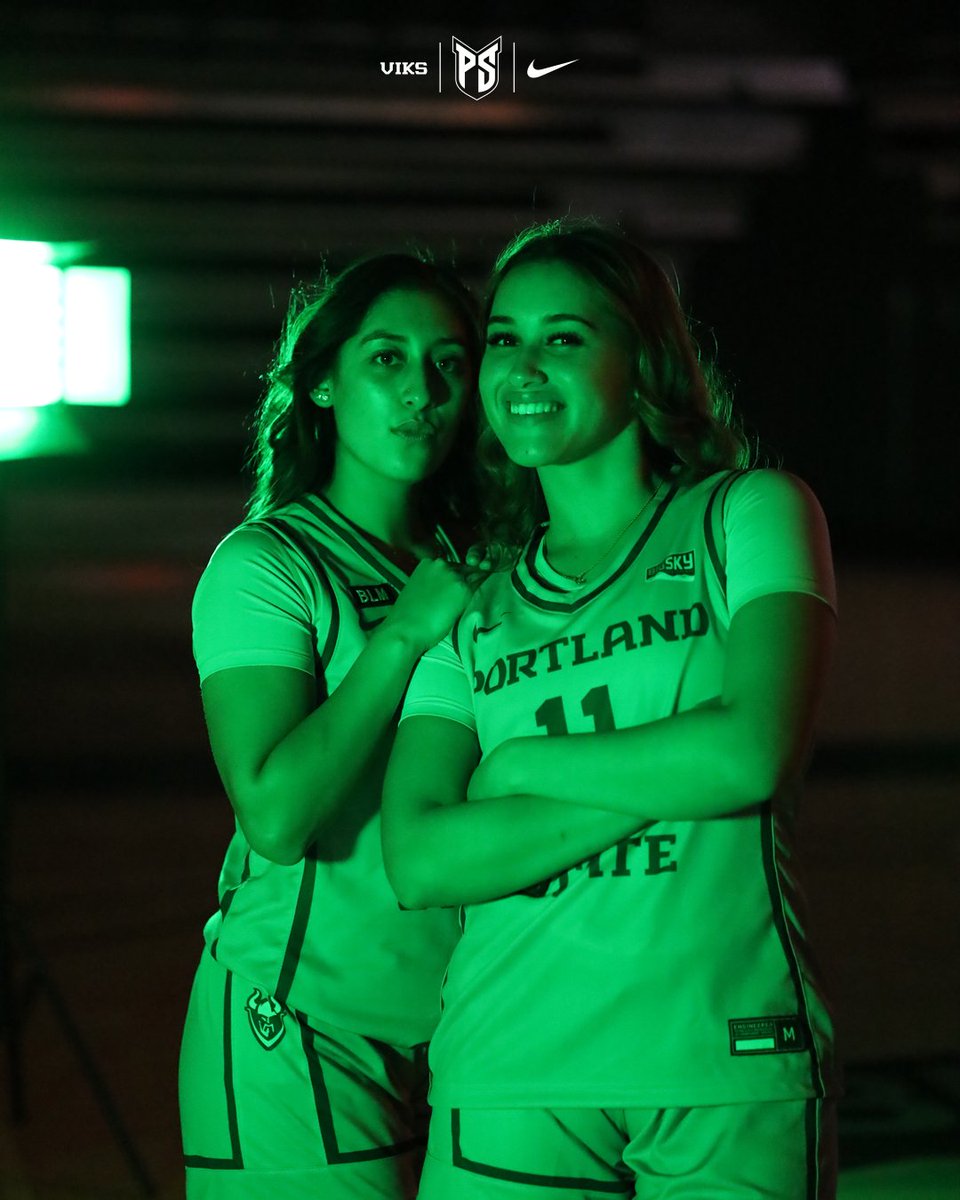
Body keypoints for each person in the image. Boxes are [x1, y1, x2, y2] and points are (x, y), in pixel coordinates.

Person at [382, 219, 839, 1198]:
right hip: (509, 1071)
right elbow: (419, 858)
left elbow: (755, 752)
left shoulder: (749, 514)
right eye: (503, 338)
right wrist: (679, 769)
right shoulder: (471, 609)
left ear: (643, 358)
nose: (523, 366)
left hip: (722, 1059)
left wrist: (518, 771)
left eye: (565, 336)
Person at [179, 252, 481, 1200]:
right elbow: (273, 812)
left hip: (460, 1031)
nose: (421, 391)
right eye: (386, 359)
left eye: (447, 363)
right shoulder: (267, 564)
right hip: (304, 1032)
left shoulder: (477, 565)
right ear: (321, 381)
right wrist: (400, 638)